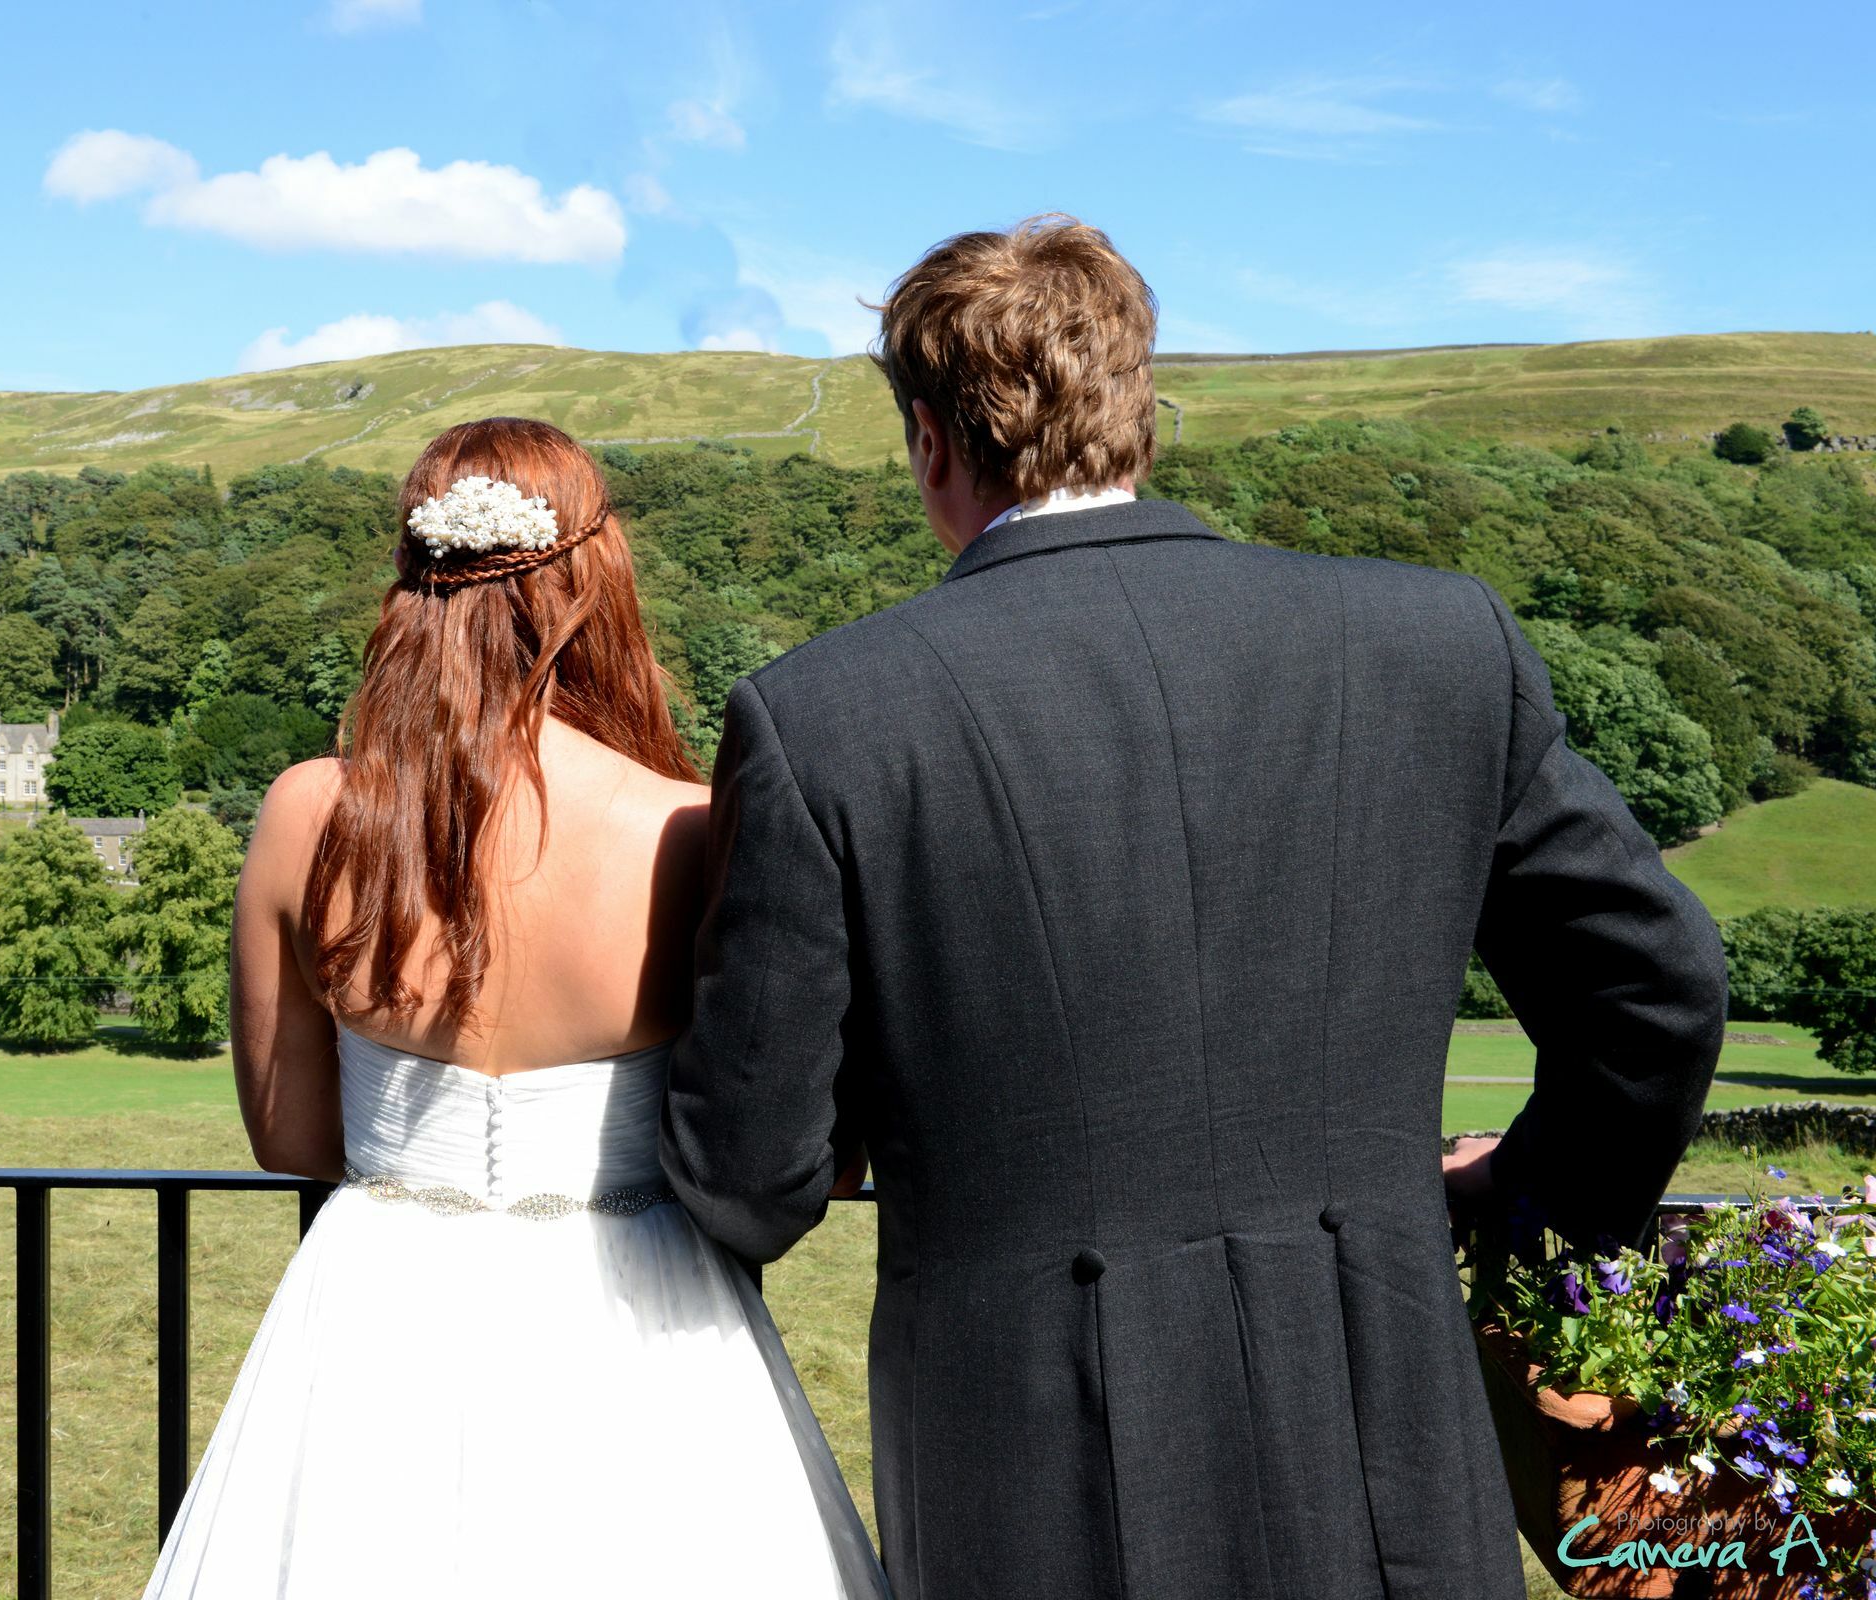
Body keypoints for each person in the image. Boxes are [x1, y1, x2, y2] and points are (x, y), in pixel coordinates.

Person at [659, 215, 1729, 1600]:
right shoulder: (1438, 644)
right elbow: (1660, 991)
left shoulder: (825, 718)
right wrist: (1517, 1213)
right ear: (1142, 410)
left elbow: (753, 1177)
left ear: (929, 441)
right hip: (1386, 1439)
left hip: (1022, 1484)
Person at [144, 417, 888, 1598]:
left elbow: (290, 1137)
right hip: (639, 1319)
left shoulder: (305, 812)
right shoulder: (686, 828)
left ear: (410, 584)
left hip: (374, 1323)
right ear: (594, 577)